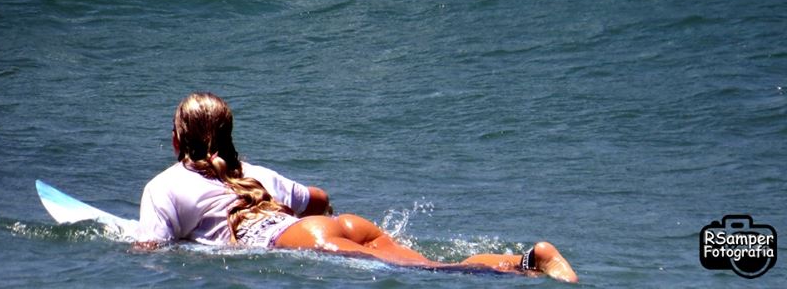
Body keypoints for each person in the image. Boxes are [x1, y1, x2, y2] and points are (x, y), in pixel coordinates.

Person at [135, 92, 578, 283]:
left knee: (433, 275)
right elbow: (319, 199)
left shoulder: (163, 186)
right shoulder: (254, 173)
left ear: (176, 141)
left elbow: (150, 250)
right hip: (343, 226)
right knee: (434, 266)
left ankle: (530, 263)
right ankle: (528, 261)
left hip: (300, 239)